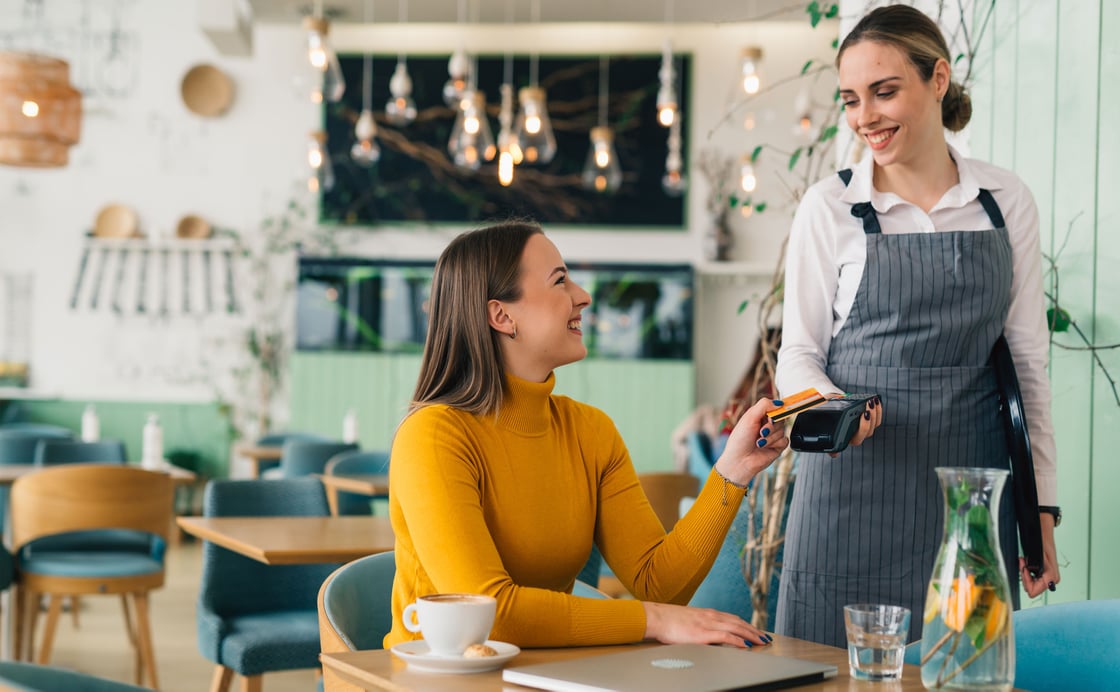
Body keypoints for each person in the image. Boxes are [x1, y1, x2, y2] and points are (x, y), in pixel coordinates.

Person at [773, 4, 1060, 648]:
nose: (864, 117)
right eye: (851, 99)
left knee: (964, 671)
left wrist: (1039, 509)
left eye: (884, 91)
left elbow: (1028, 367)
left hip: (969, 496)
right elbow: (797, 353)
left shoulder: (1004, 202)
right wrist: (835, 408)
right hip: (851, 486)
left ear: (938, 79)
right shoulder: (831, 207)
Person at [385, 221, 789, 649]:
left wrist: (733, 470)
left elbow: (661, 585)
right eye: (560, 281)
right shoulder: (433, 436)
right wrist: (652, 620)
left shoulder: (590, 431)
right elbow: (489, 614)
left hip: (546, 674)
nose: (583, 296)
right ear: (502, 315)